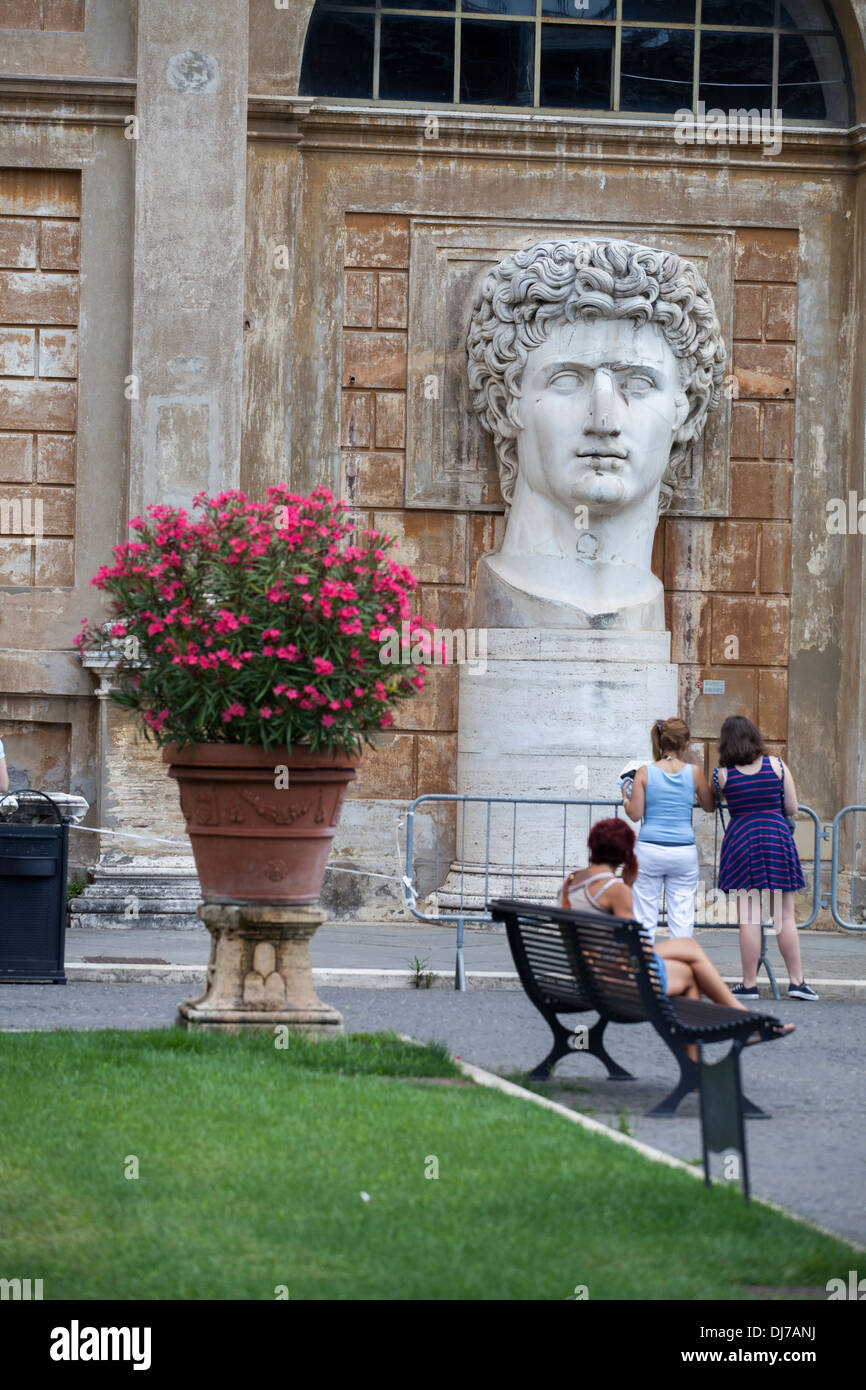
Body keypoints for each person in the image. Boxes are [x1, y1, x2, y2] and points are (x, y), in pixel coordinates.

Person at [560, 817, 794, 1052]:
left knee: (688, 956)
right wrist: (628, 886)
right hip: (615, 983)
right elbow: (634, 948)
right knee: (688, 962)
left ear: (592, 846)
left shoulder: (568, 885)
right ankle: (741, 1027)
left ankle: (741, 1025)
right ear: (625, 854)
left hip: (586, 977)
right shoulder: (615, 890)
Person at [715, 715, 817, 1002]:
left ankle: (749, 984)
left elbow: (712, 803)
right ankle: (797, 982)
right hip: (775, 838)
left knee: (749, 918)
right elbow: (792, 807)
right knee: (784, 916)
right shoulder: (777, 765)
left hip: (741, 841)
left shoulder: (722, 774)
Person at [621, 717, 714, 942]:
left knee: (644, 917)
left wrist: (625, 798)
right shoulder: (694, 772)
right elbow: (709, 806)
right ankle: (679, 962)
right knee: (682, 918)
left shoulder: (644, 772)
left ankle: (644, 962)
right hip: (683, 850)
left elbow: (635, 814)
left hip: (649, 850)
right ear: (686, 744)